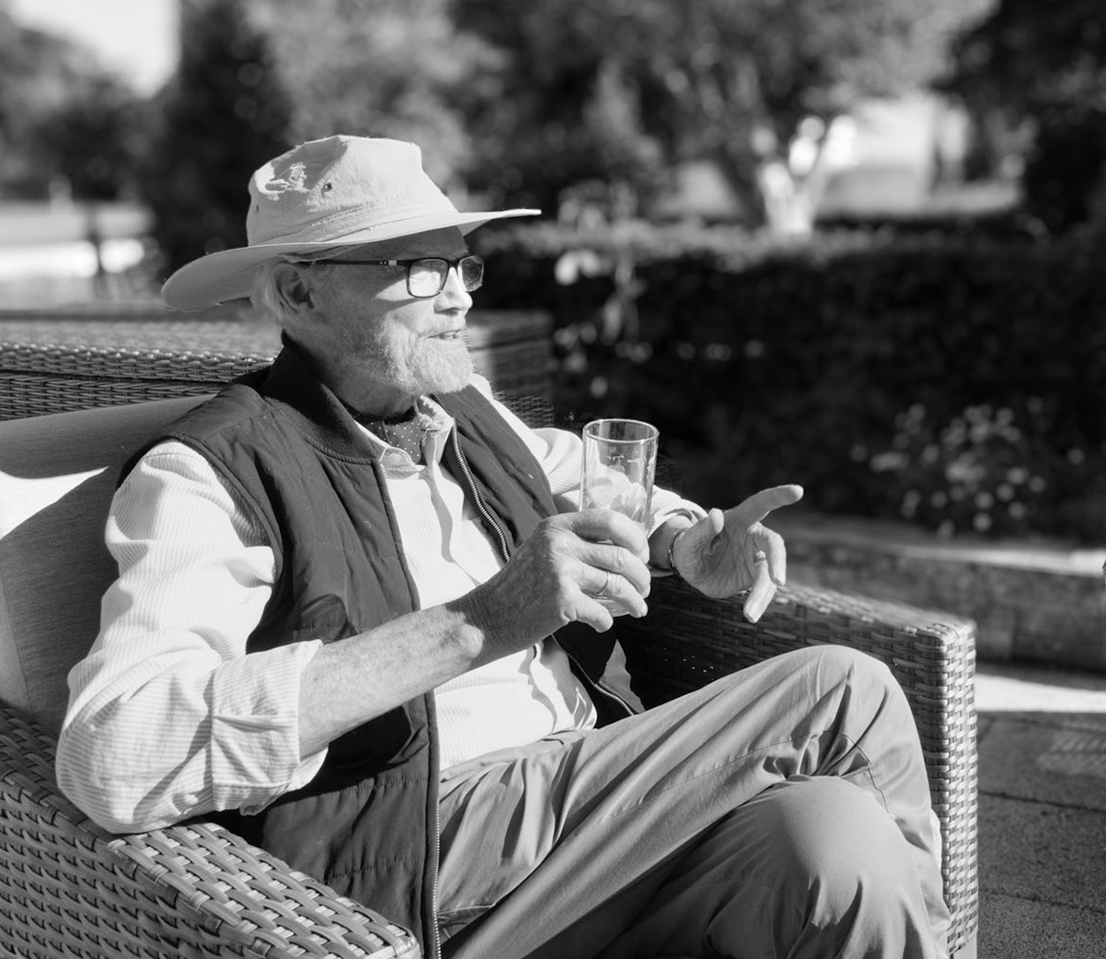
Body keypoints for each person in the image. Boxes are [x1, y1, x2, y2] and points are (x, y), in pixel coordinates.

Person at [57, 135, 950, 959]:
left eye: (460, 262)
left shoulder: (458, 406)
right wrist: (478, 623)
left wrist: (682, 541)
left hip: (586, 818)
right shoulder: (212, 472)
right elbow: (113, 754)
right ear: (298, 293)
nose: (459, 294)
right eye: (417, 268)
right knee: (842, 688)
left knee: (835, 843)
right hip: (424, 849)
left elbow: (573, 469)